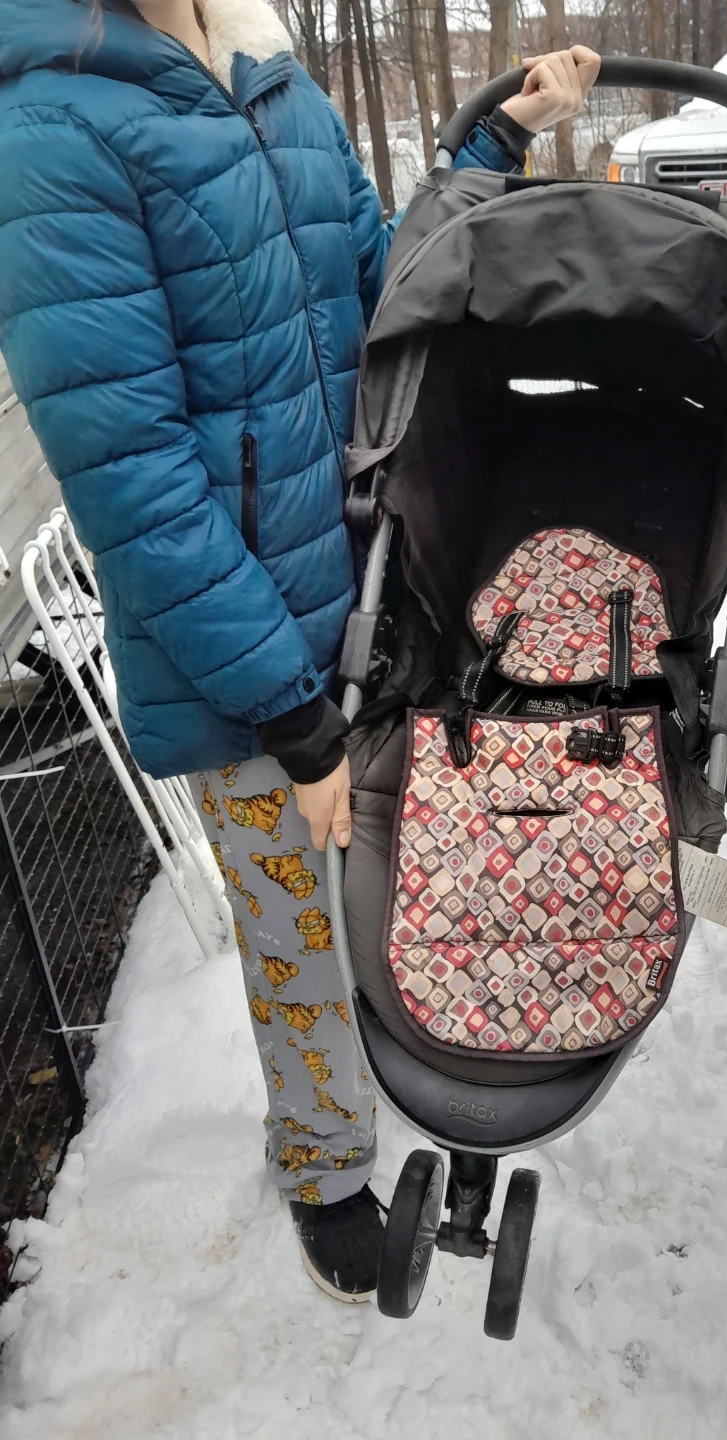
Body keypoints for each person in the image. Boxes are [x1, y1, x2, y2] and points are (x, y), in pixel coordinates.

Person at [0, 0, 600, 1302]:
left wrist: (490, 144)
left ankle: (439, 1036)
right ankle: (326, 1169)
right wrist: (292, 716)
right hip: (241, 670)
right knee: (299, 936)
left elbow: (389, 288)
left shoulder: (275, 80)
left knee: (398, 865)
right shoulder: (51, 127)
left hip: (373, 594)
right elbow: (135, 486)